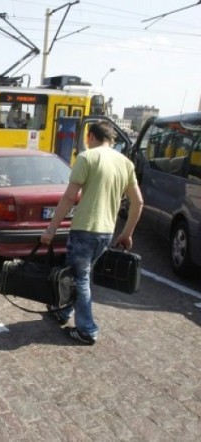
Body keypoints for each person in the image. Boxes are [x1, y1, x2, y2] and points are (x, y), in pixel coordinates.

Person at [40, 121, 143, 345]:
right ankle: (63, 312)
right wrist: (127, 233)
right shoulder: (125, 163)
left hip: (85, 228)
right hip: (106, 231)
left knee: (79, 278)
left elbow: (69, 197)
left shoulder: (87, 158)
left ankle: (87, 330)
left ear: (90, 136)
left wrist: (51, 228)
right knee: (77, 274)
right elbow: (138, 202)